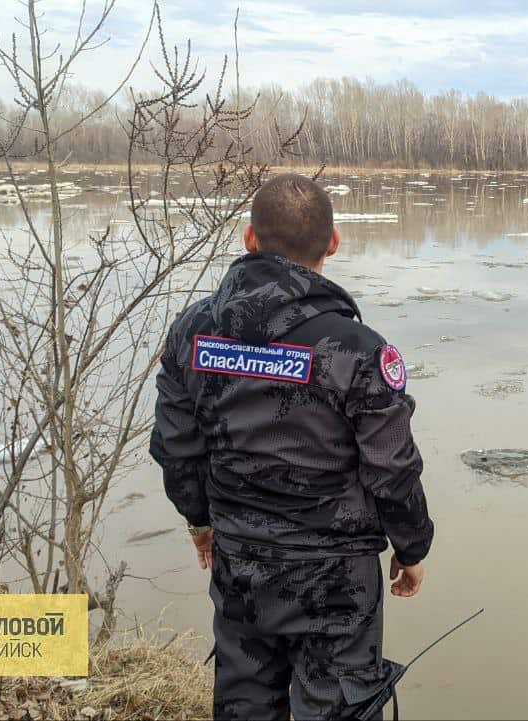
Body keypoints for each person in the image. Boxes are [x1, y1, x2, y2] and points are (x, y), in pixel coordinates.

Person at [149, 173, 435, 721]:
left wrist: (200, 521)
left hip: (240, 561)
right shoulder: (355, 349)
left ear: (249, 239)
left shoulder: (192, 332)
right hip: (336, 577)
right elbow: (391, 470)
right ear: (333, 242)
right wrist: (413, 547)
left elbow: (176, 445)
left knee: (246, 703)